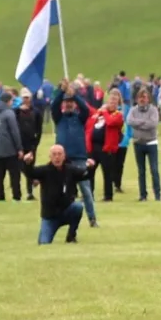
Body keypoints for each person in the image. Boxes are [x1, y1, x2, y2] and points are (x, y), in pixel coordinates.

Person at [23, 145, 95, 244]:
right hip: (50, 217)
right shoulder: (45, 171)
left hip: (66, 212)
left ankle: (71, 236)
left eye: (59, 154)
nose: (57, 157)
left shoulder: (70, 170)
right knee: (44, 243)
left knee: (78, 207)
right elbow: (30, 173)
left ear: (64, 156)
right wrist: (28, 163)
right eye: (54, 154)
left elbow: (85, 175)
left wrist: (90, 167)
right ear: (50, 157)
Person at [51, 86, 99, 227]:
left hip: (79, 158)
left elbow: (86, 109)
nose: (69, 104)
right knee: (61, 191)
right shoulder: (58, 118)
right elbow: (54, 105)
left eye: (71, 101)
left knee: (86, 191)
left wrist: (75, 95)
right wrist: (62, 91)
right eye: (66, 101)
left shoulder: (80, 118)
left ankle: (92, 218)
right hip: (62, 160)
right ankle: (59, 218)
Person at [85, 88, 125, 201]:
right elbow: (90, 123)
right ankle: (89, 195)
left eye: (114, 102)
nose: (111, 103)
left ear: (117, 104)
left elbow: (110, 122)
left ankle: (108, 196)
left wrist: (104, 112)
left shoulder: (118, 115)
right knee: (89, 171)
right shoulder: (100, 113)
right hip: (93, 147)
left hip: (106, 147)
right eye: (110, 101)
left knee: (107, 172)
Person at [126, 88, 161, 201]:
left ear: (148, 98)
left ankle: (157, 195)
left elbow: (153, 123)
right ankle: (143, 195)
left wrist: (138, 124)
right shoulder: (133, 110)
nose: (142, 99)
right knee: (141, 171)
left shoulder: (153, 110)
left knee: (154, 170)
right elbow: (129, 121)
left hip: (151, 142)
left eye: (144, 97)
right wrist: (143, 122)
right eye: (140, 97)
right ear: (137, 99)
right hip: (138, 143)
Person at [0, 92, 24, 201]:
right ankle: (16, 195)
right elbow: (15, 132)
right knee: (14, 174)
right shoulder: (9, 113)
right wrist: (19, 148)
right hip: (10, 149)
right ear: (8, 101)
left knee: (0, 175)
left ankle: (1, 196)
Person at [14, 90, 44, 200]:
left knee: (29, 166)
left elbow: (39, 130)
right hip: (19, 144)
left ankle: (30, 192)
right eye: (24, 97)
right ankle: (34, 180)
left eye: (27, 97)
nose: (26, 100)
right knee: (20, 166)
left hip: (31, 144)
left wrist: (34, 147)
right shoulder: (16, 112)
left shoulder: (36, 112)